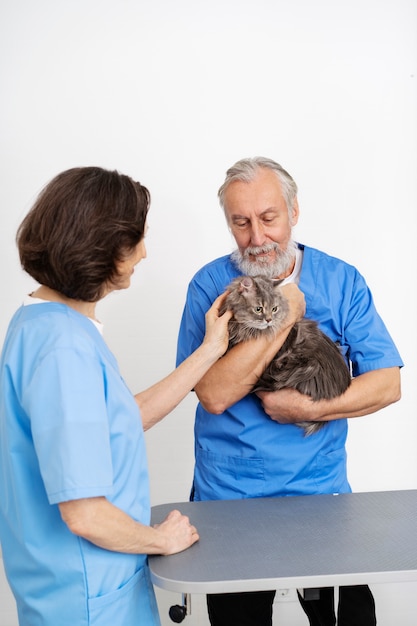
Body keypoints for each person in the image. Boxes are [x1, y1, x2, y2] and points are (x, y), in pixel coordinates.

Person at [0, 166, 233, 626]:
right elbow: (85, 514)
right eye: (137, 242)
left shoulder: (42, 324)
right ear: (100, 247)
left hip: (82, 589)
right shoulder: (64, 348)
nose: (144, 254)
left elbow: (125, 417)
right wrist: (160, 540)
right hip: (89, 601)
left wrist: (208, 353)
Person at [176, 156, 403, 626]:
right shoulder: (210, 286)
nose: (256, 238)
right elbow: (214, 394)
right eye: (241, 223)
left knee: (351, 620)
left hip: (320, 496)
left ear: (294, 211)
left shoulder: (341, 281)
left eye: (268, 218)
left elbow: (387, 383)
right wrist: (285, 315)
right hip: (232, 499)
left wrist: (311, 405)